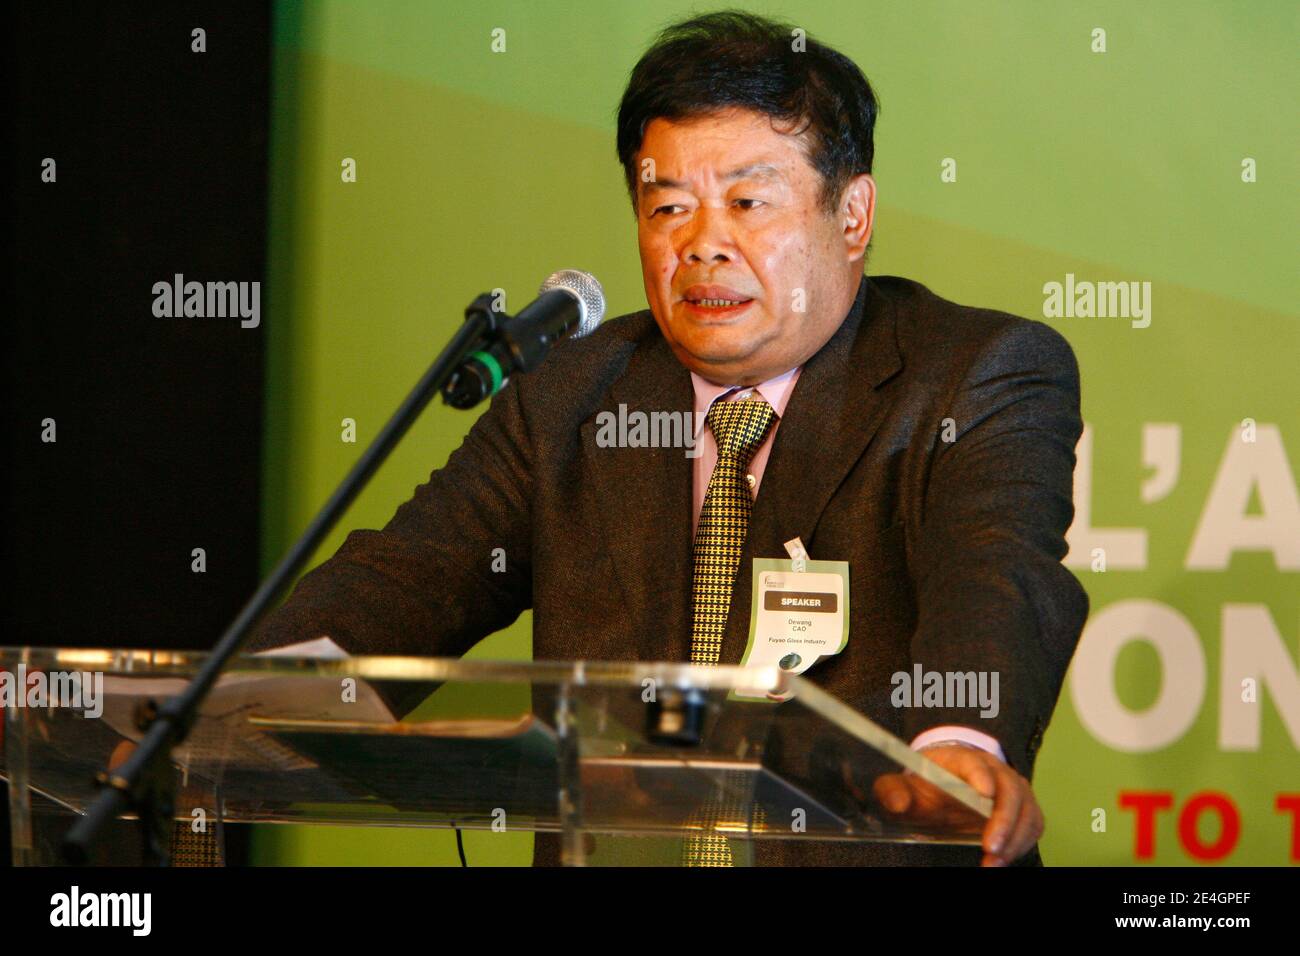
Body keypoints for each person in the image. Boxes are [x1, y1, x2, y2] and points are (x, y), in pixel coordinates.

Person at [250, 10, 1088, 867]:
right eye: (669, 207)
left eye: (748, 202)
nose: (702, 246)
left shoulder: (974, 373)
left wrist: (959, 749)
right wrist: (233, 707)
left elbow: (995, 571)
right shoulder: (571, 395)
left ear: (853, 215)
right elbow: (408, 577)